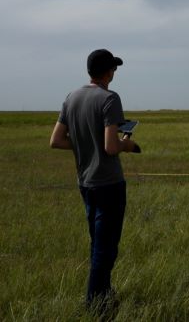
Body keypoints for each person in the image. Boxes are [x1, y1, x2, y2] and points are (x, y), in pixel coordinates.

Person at [49, 49, 140, 312]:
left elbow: (56, 140)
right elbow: (111, 147)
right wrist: (128, 145)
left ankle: (105, 296)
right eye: (114, 69)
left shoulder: (71, 97)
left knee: (97, 244)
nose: (115, 73)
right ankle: (95, 306)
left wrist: (84, 145)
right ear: (108, 72)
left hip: (85, 183)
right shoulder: (110, 99)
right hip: (109, 184)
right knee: (106, 249)